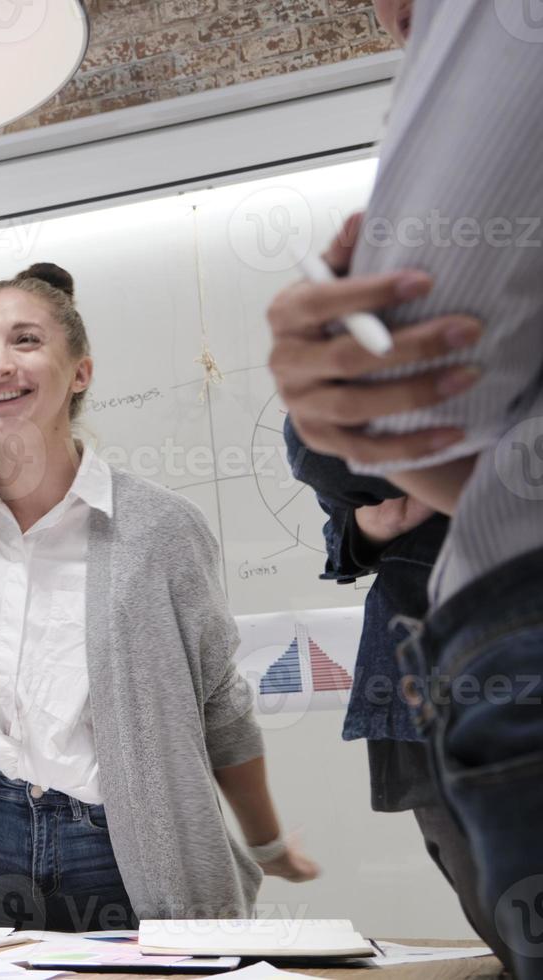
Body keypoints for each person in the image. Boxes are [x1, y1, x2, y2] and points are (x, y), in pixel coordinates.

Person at [0, 263, 317, 931]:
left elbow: (219, 703)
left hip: (115, 846)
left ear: (81, 372)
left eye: (25, 341)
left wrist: (267, 841)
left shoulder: (159, 529)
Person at [266, 1, 543, 971]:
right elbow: (336, 461)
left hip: (497, 623)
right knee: (479, 890)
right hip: (430, 643)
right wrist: (383, 484)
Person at [284, 418, 502, 952]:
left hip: (505, 621)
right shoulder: (361, 366)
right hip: (418, 646)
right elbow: (317, 449)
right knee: (496, 899)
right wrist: (375, 522)